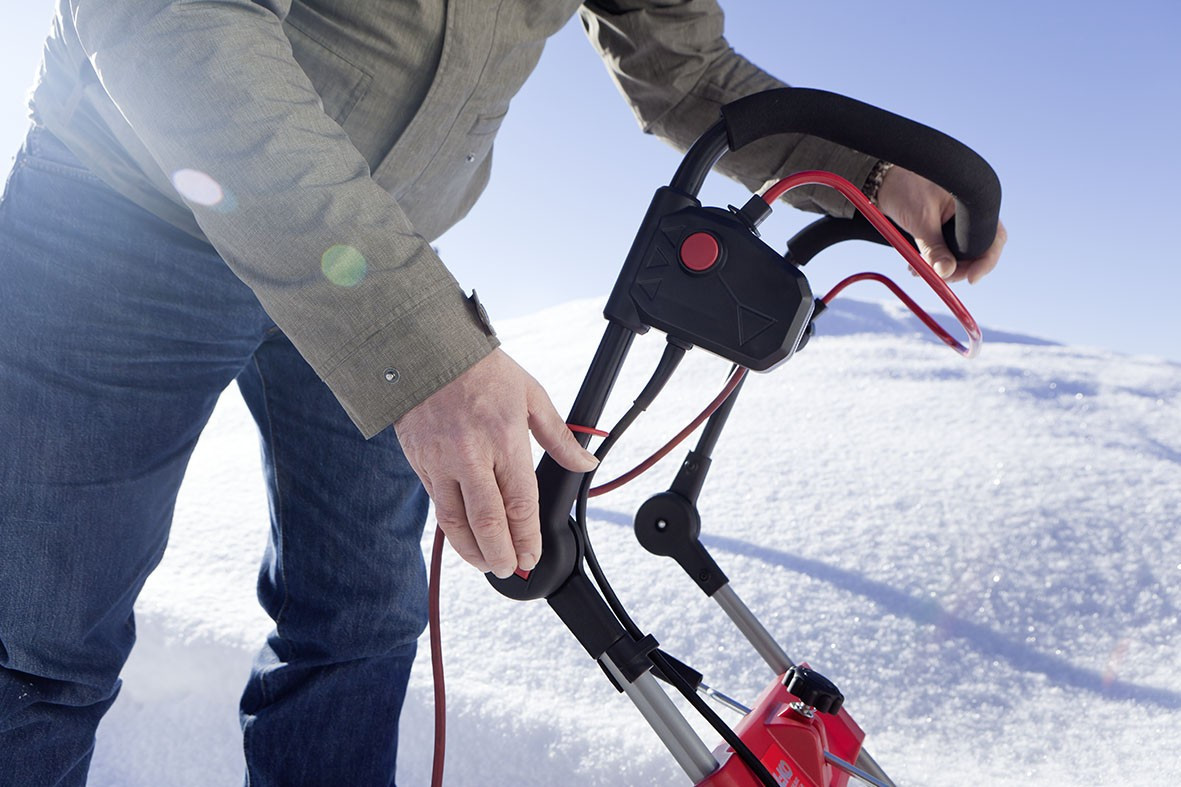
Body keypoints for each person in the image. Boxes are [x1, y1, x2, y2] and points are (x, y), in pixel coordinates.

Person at [0, 0, 1007, 784]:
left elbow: (683, 69)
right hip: (127, 215)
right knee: (40, 647)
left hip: (373, 250)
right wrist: (419, 340)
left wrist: (867, 172)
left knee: (357, 626)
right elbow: (173, 21)